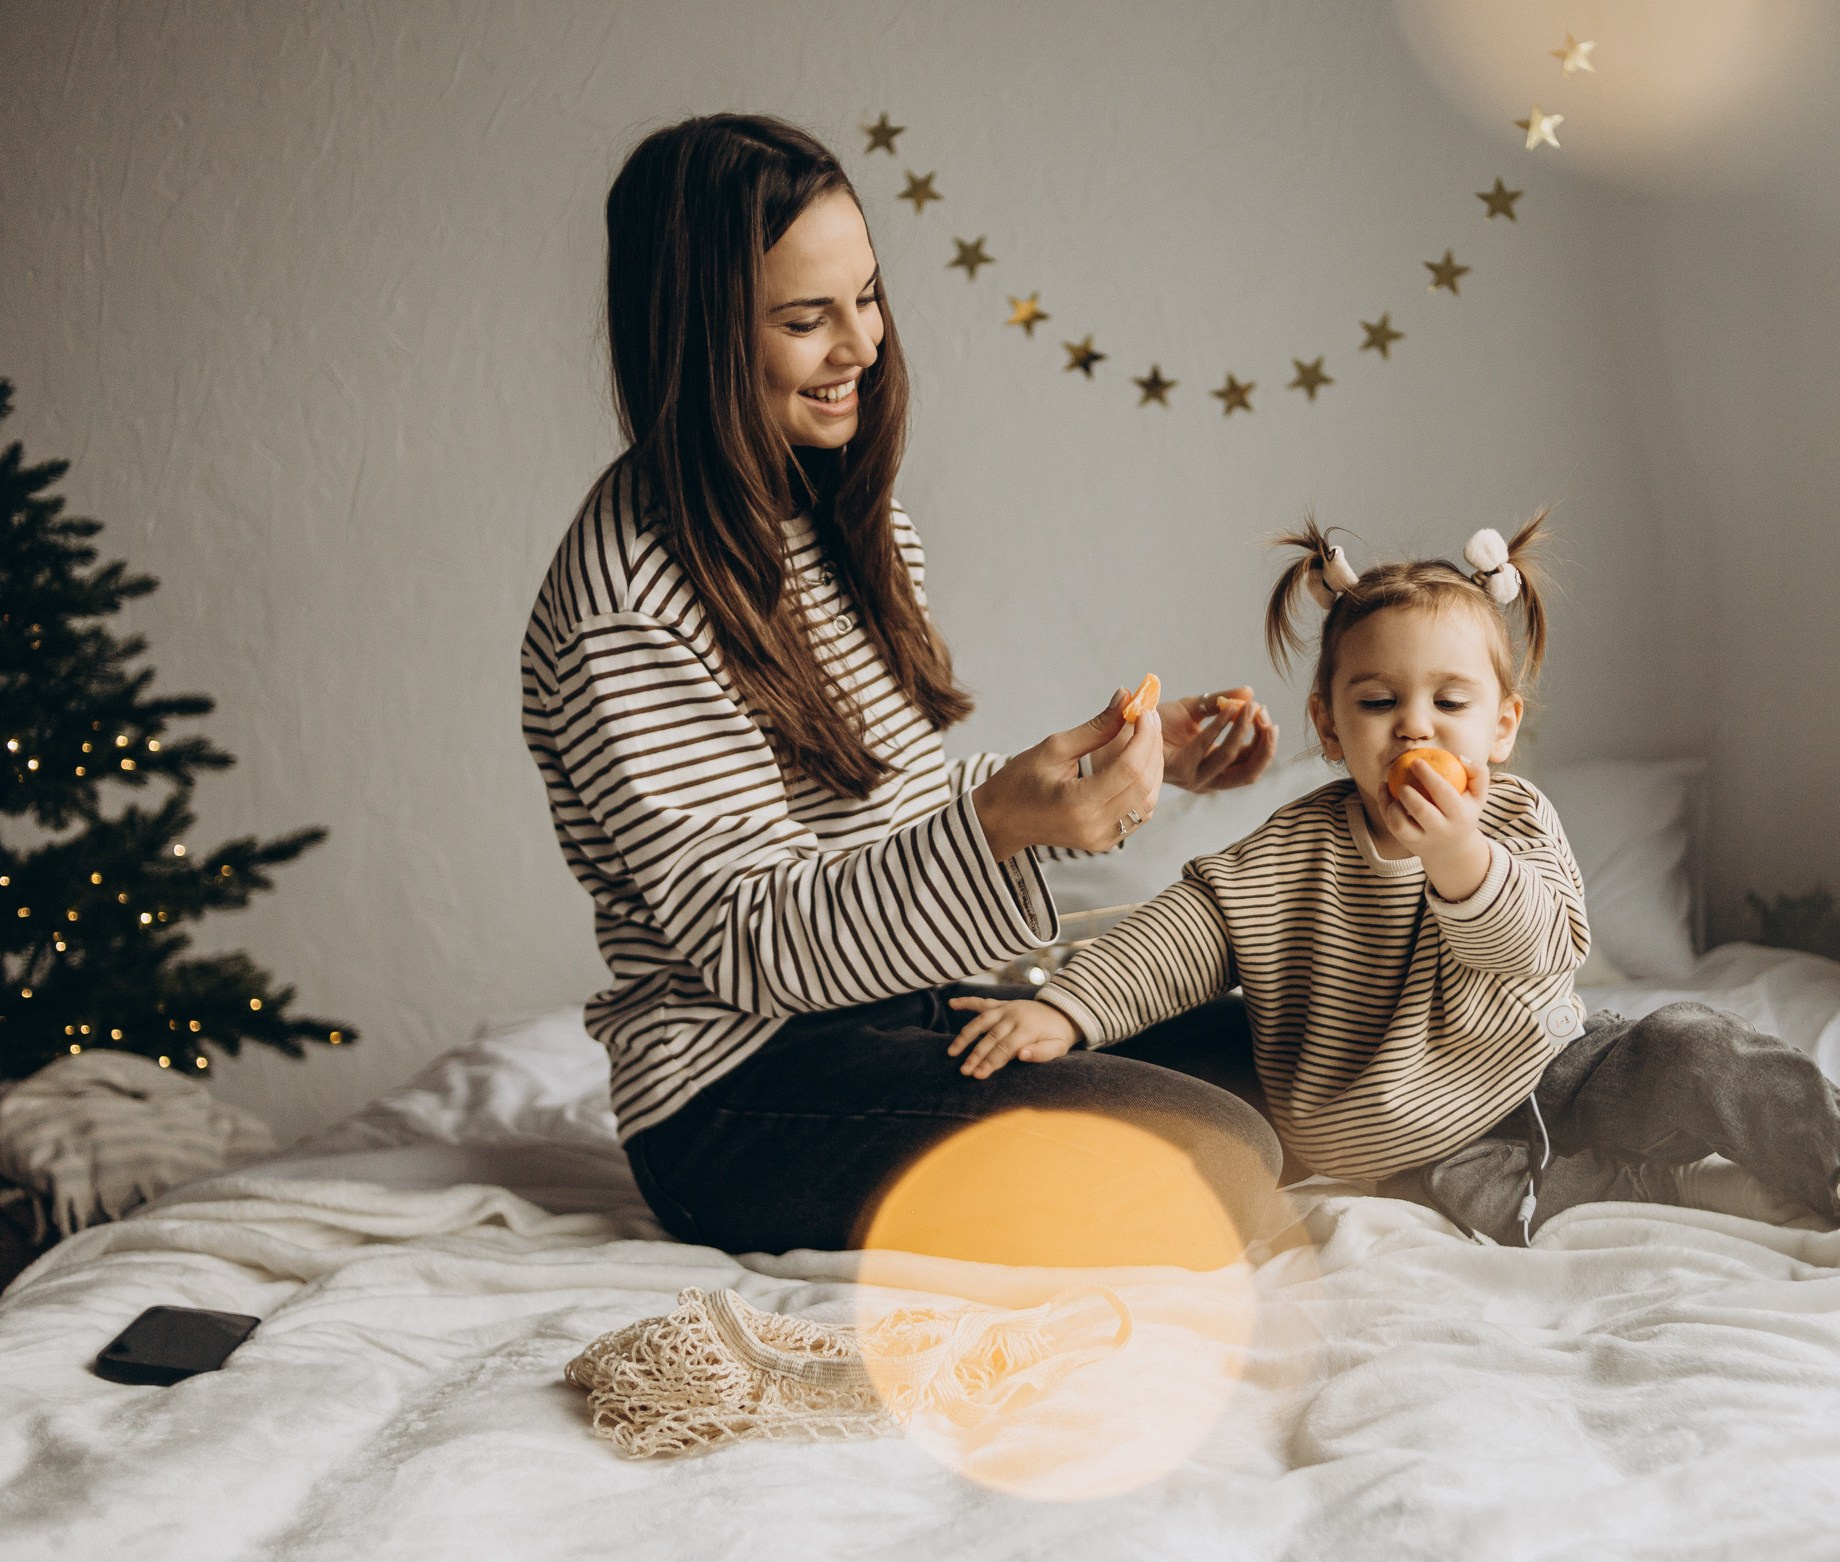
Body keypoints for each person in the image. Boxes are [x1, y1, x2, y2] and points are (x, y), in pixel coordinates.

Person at [520, 113, 1285, 1256]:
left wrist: (1121, 764)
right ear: (699, 336)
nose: (861, 346)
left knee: (1290, 1046)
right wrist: (998, 826)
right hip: (740, 1098)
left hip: (905, 1009)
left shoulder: (833, 519)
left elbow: (884, 802)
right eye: (803, 319)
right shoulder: (626, 603)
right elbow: (755, 940)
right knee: (1215, 1154)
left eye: (867, 297)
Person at [948, 516, 1840, 1241]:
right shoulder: (1291, 852)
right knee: (1497, 1203)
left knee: (1698, 1046)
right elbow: (1182, 936)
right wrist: (1075, 1011)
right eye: (1376, 702)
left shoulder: (1513, 818)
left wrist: (1459, 856)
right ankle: (1712, 1189)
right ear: (1328, 726)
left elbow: (1542, 944)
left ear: (1500, 725)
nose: (1413, 724)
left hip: (1550, 1068)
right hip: (1407, 1135)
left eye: (1449, 700)